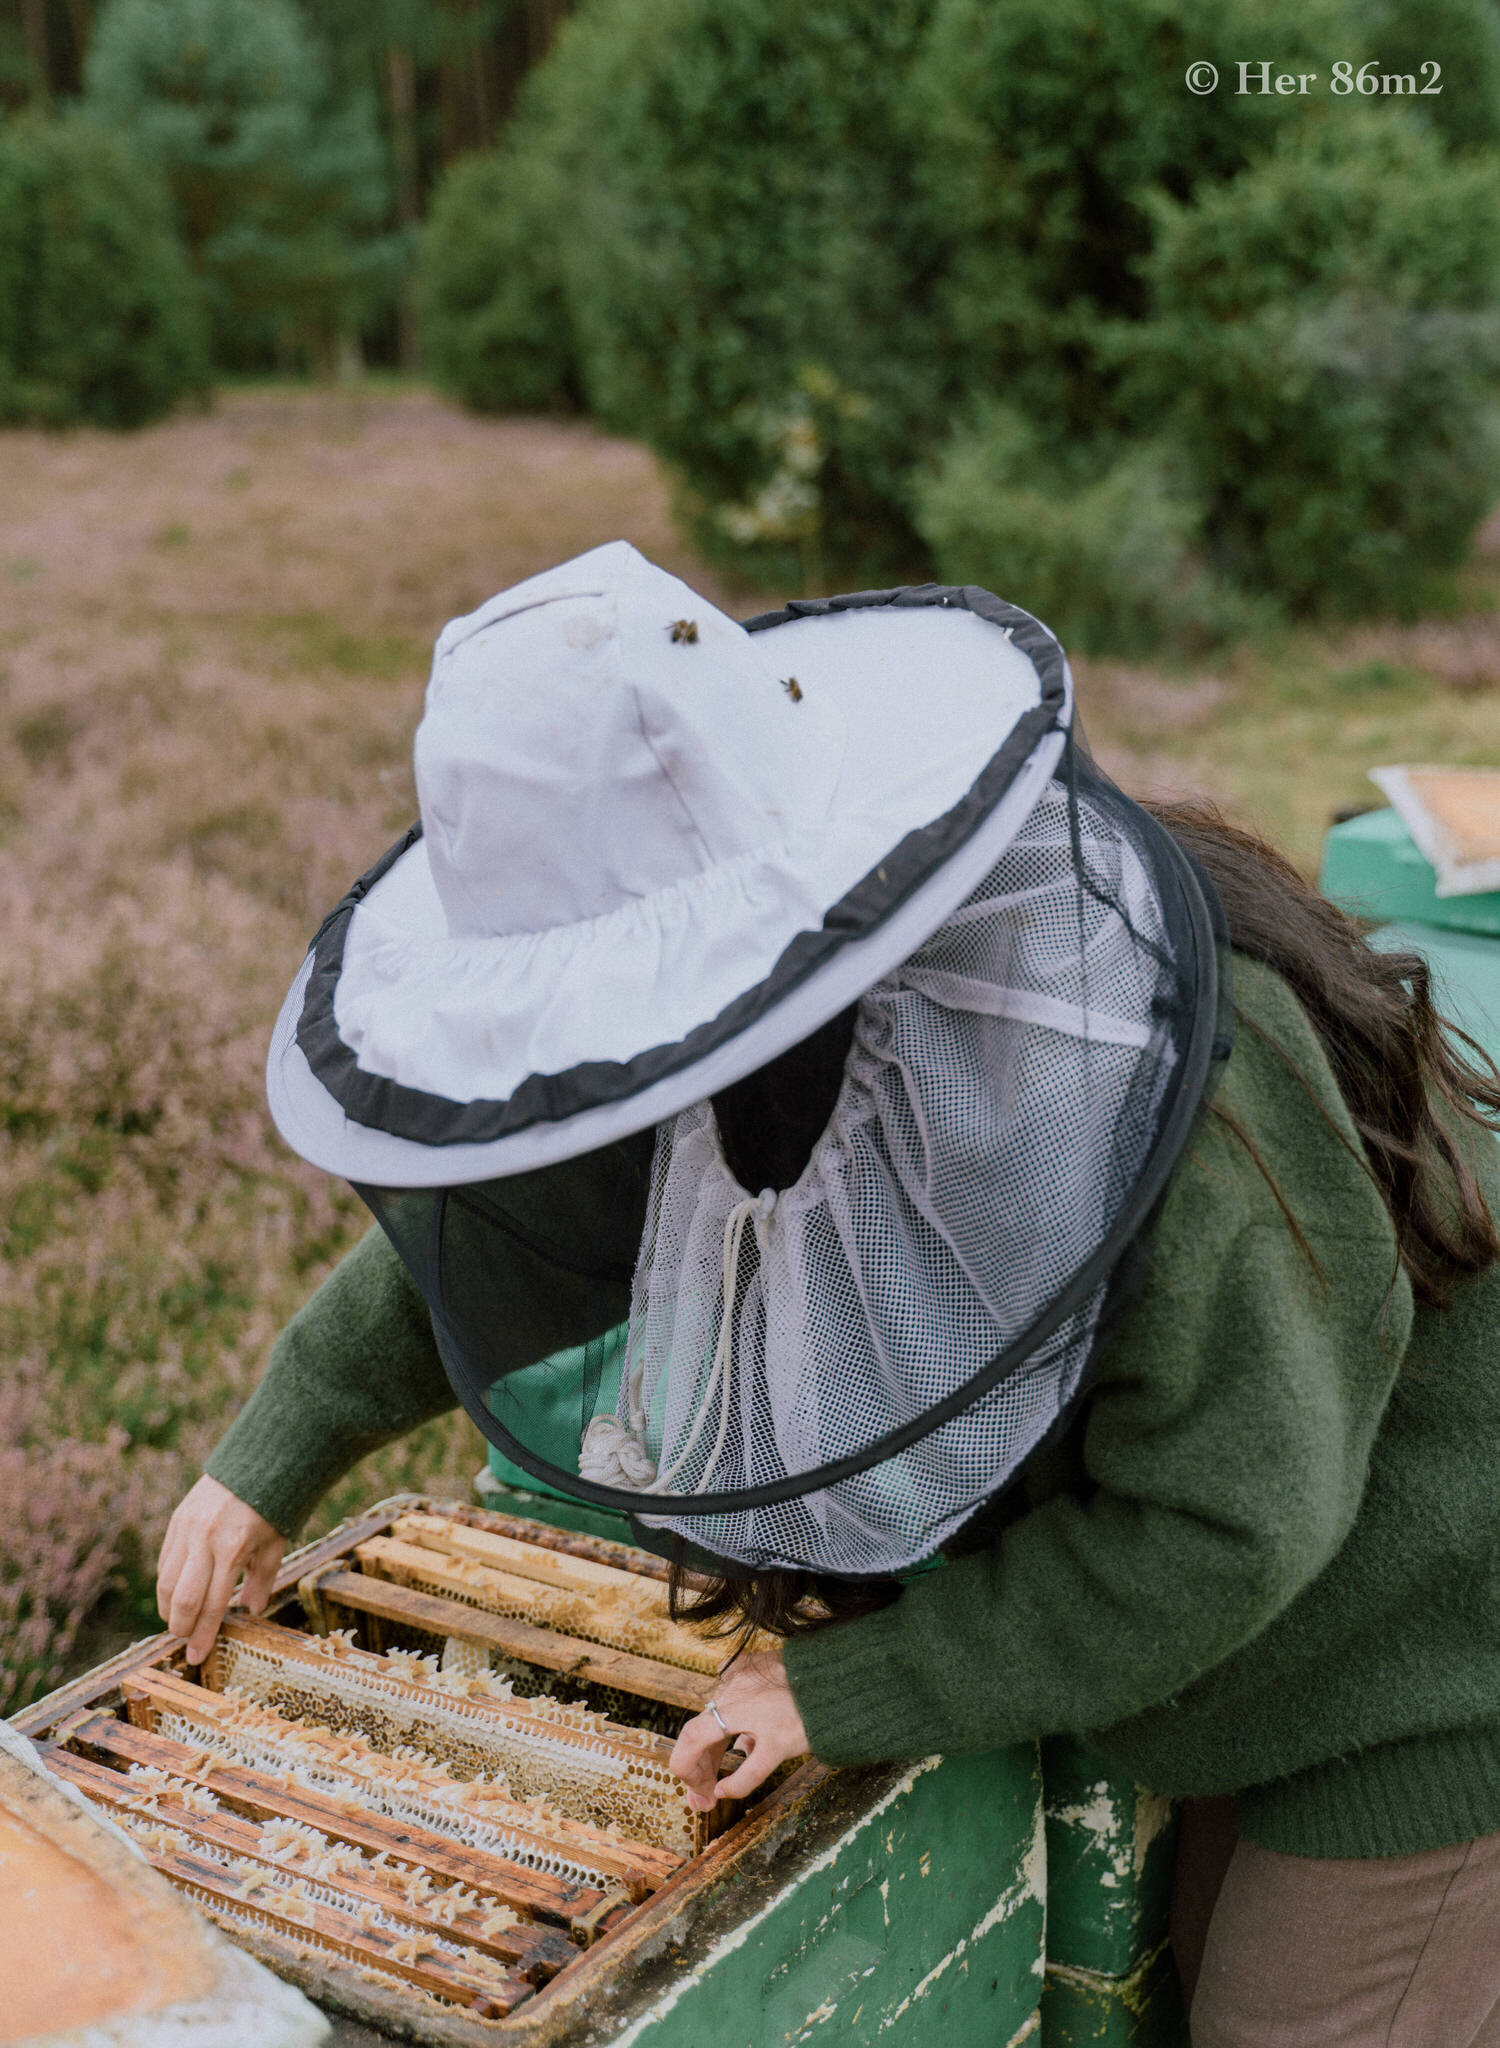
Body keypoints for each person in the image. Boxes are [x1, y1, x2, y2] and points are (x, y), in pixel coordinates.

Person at [158, 544, 1500, 2046]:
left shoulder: (1162, 1095)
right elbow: (520, 1221)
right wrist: (268, 1456)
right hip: (1257, 1618)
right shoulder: (747, 1006)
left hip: (1427, 1644)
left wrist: (852, 1688)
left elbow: (1220, 1528)